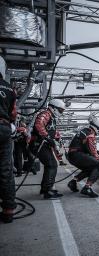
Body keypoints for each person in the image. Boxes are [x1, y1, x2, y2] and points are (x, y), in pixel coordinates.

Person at [30, 99, 65, 199]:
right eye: (60, 110)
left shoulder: (51, 116)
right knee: (52, 164)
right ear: (53, 108)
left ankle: (46, 189)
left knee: (51, 164)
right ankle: (47, 190)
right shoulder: (46, 114)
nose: (61, 112)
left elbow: (51, 129)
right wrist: (48, 138)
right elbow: (39, 125)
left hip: (43, 144)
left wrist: (56, 137)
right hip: (38, 144)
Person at [67, 116, 99, 198]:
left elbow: (86, 146)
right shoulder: (90, 134)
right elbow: (92, 151)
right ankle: (87, 188)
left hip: (72, 155)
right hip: (77, 155)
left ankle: (73, 182)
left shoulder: (85, 131)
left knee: (91, 168)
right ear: (97, 128)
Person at [0, 56, 17, 223]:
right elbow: (13, 114)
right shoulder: (10, 89)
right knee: (6, 170)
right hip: (4, 129)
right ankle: (8, 210)